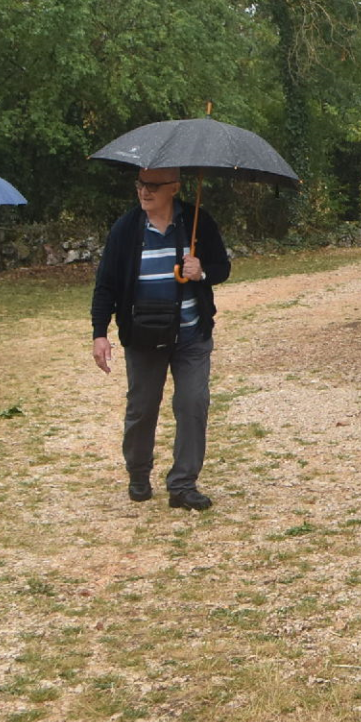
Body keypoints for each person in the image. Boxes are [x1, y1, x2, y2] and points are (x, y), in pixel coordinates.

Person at [90, 168, 232, 511]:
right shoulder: (126, 228)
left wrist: (202, 271)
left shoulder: (197, 222)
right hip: (143, 336)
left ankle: (183, 485)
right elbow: (106, 283)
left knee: (193, 403)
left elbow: (222, 267)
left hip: (191, 334)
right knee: (142, 408)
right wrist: (99, 333)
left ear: (175, 188)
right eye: (140, 185)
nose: (144, 192)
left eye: (153, 186)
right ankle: (138, 473)